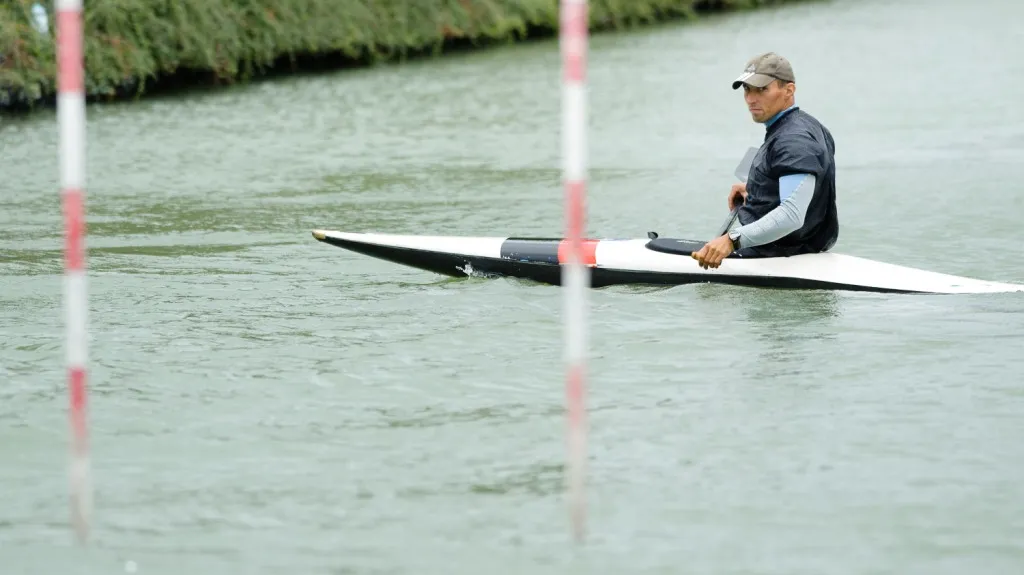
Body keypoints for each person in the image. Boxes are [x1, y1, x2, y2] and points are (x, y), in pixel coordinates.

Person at [692, 52, 839, 270]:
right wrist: (758, 189)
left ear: (789, 90)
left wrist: (731, 240)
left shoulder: (794, 140)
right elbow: (804, 189)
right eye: (747, 89)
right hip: (797, 249)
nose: (751, 99)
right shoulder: (806, 126)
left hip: (781, 254)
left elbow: (792, 215)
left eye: (762, 89)